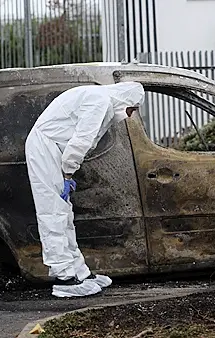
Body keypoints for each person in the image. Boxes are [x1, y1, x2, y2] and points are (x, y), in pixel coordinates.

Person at [25, 82, 145, 298]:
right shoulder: (99, 101)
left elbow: (85, 141)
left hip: (53, 150)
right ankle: (64, 278)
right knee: (53, 212)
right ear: (126, 100)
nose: (130, 115)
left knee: (64, 214)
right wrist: (68, 173)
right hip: (45, 148)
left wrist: (67, 172)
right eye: (133, 109)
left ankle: (79, 272)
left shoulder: (103, 103)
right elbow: (81, 141)